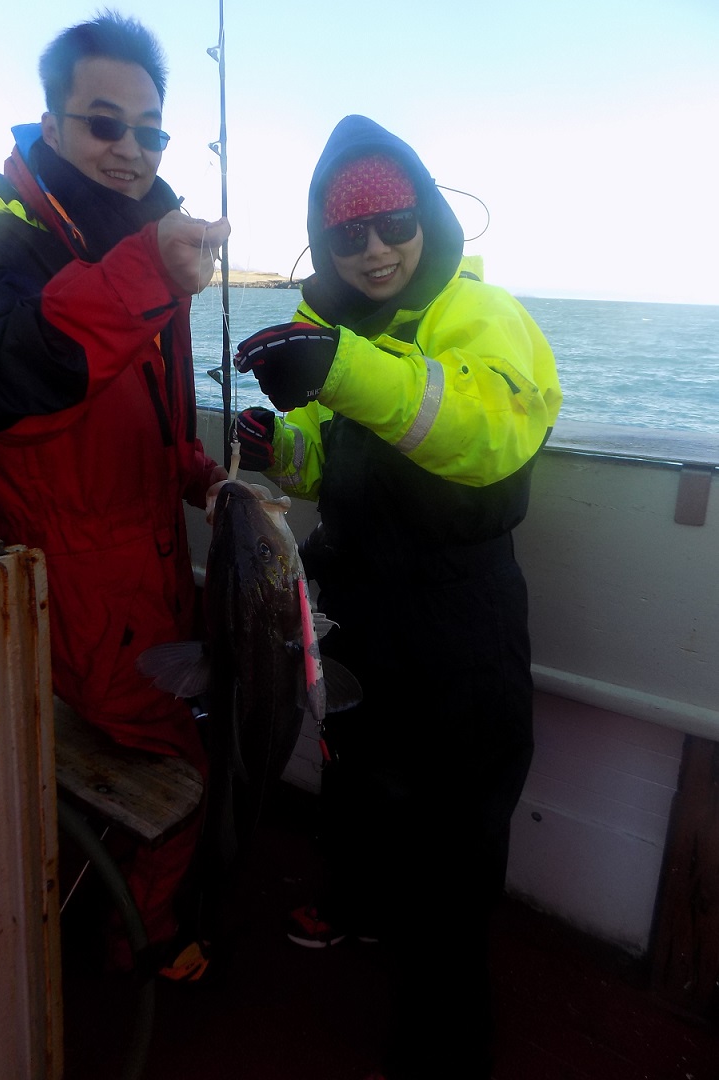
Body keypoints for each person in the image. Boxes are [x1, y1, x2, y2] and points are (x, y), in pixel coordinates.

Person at [234, 114, 562, 1079]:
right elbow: (336, 464)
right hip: (360, 607)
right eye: (348, 235)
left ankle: (447, 1038)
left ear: (427, 221)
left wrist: (333, 367)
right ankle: (362, 907)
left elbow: (484, 430)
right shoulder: (350, 333)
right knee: (363, 772)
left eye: (393, 224)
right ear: (325, 242)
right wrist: (275, 445)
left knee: (459, 825)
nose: (374, 250)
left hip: (461, 615)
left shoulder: (479, 312)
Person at [0, 12, 230, 971]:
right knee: (180, 761)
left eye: (151, 132)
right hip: (80, 597)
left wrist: (189, 464)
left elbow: (141, 394)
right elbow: (7, 382)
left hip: (152, 572)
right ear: (52, 123)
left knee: (199, 723)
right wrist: (146, 269)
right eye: (105, 124)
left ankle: (124, 907)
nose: (130, 150)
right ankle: (143, 940)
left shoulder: (139, 240)